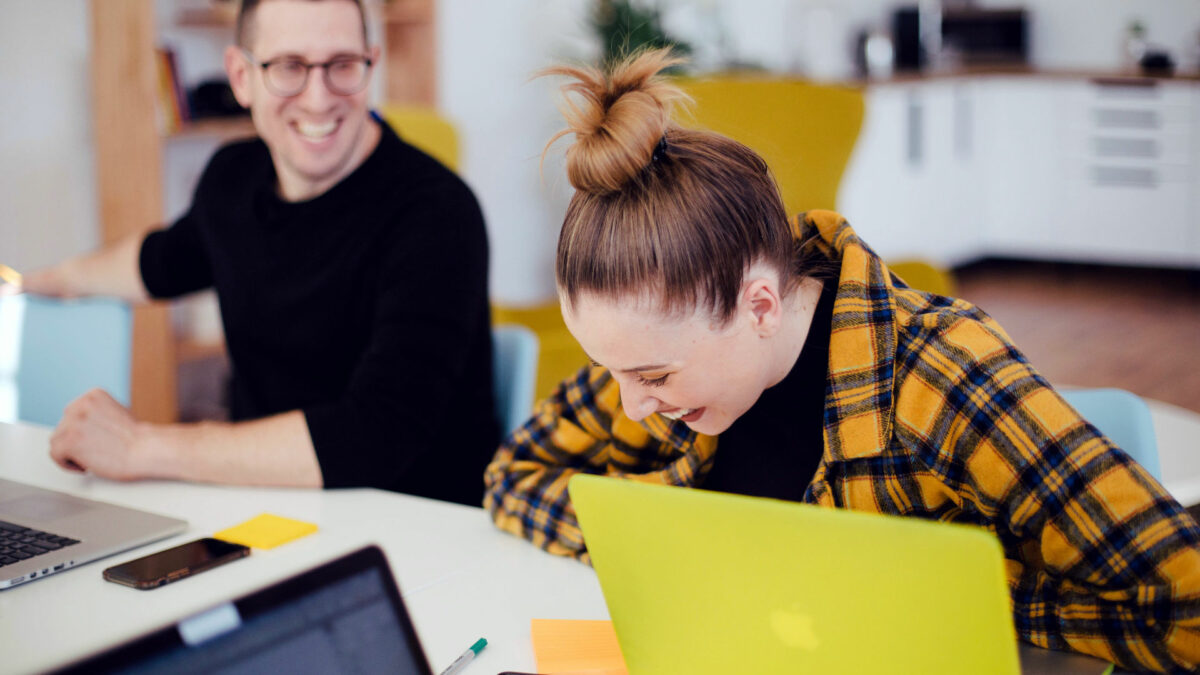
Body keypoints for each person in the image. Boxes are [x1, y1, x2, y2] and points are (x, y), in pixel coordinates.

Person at [483, 49, 1200, 671]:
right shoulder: (659, 358)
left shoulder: (941, 376)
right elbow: (513, 476)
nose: (631, 402)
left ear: (760, 305)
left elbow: (1185, 603)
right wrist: (671, 548)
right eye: (612, 369)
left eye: (653, 377)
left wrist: (955, 597)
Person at [22, 0, 498, 506]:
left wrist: (140, 446)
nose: (318, 99)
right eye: (289, 67)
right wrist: (41, 280)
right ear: (241, 77)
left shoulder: (438, 213)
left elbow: (377, 433)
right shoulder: (233, 178)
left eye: (342, 66)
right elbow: (160, 261)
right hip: (265, 509)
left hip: (418, 533)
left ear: (370, 65)